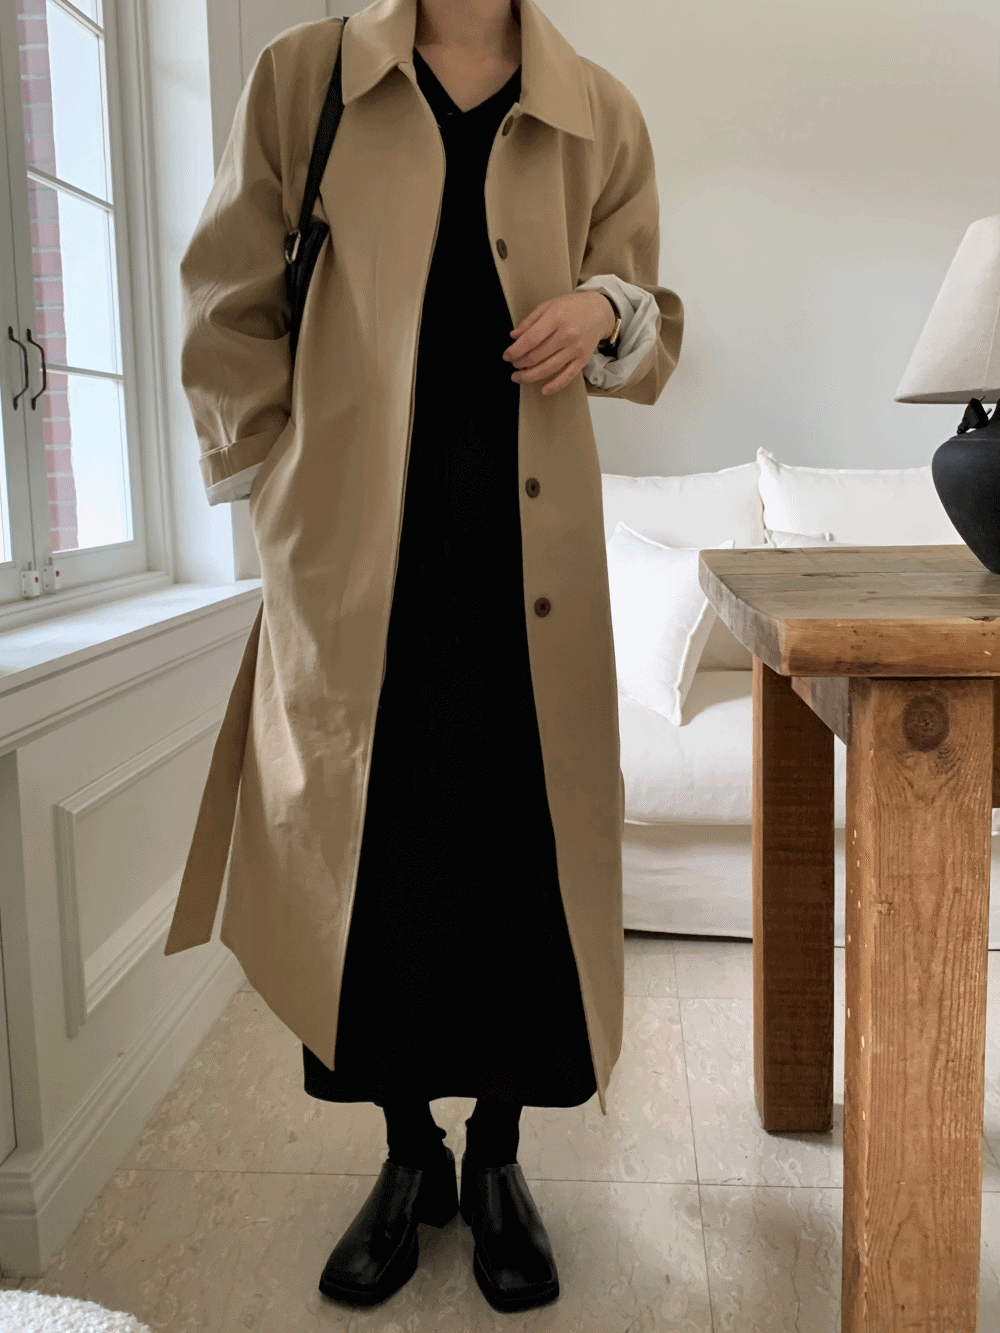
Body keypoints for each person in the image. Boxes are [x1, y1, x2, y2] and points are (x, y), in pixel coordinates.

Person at [169, 0, 683, 1315]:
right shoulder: (307, 78)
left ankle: (499, 1161)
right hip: (354, 574)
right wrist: (273, 491)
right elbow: (226, 297)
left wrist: (604, 306)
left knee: (522, 875)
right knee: (372, 880)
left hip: (529, 575)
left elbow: (654, 330)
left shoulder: (598, 110)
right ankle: (408, 1156)